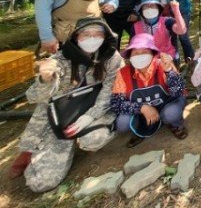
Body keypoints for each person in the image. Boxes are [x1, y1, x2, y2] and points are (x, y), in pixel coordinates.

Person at [9, 18, 121, 192]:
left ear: (105, 37)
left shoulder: (111, 57)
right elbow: (33, 96)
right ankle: (32, 151)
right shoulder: (61, 59)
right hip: (63, 116)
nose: (92, 38)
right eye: (86, 34)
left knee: (93, 139)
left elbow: (109, 92)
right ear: (76, 37)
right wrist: (45, 78)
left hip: (94, 111)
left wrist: (89, 117)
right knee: (40, 183)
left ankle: (79, 142)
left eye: (97, 34)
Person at [111, 33, 187, 147]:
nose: (139, 55)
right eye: (135, 53)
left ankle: (175, 125)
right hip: (140, 112)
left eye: (144, 52)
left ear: (152, 54)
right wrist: (142, 108)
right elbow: (116, 103)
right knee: (122, 123)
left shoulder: (164, 65)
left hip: (166, 105)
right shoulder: (123, 73)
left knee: (172, 113)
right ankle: (140, 129)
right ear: (130, 56)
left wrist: (169, 72)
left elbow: (179, 92)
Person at [131, 0, 187, 64]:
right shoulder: (136, 27)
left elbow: (181, 30)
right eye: (146, 6)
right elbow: (133, 49)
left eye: (153, 6)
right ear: (141, 10)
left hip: (168, 58)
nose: (149, 9)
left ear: (158, 8)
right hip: (147, 62)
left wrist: (176, 10)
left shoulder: (167, 21)